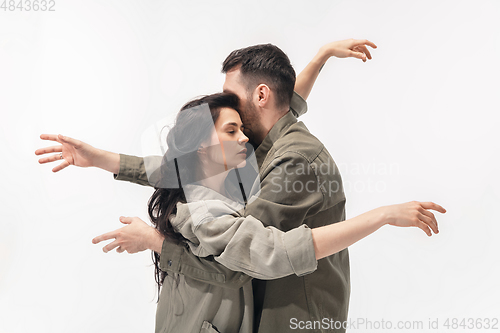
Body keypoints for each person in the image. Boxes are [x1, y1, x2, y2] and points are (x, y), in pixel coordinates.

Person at [36, 39, 446, 333]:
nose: (224, 102)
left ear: (261, 95)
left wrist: (157, 242)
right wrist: (101, 159)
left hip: (291, 316)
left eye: (232, 97)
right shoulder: (264, 137)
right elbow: (283, 106)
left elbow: (242, 258)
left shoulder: (292, 159)